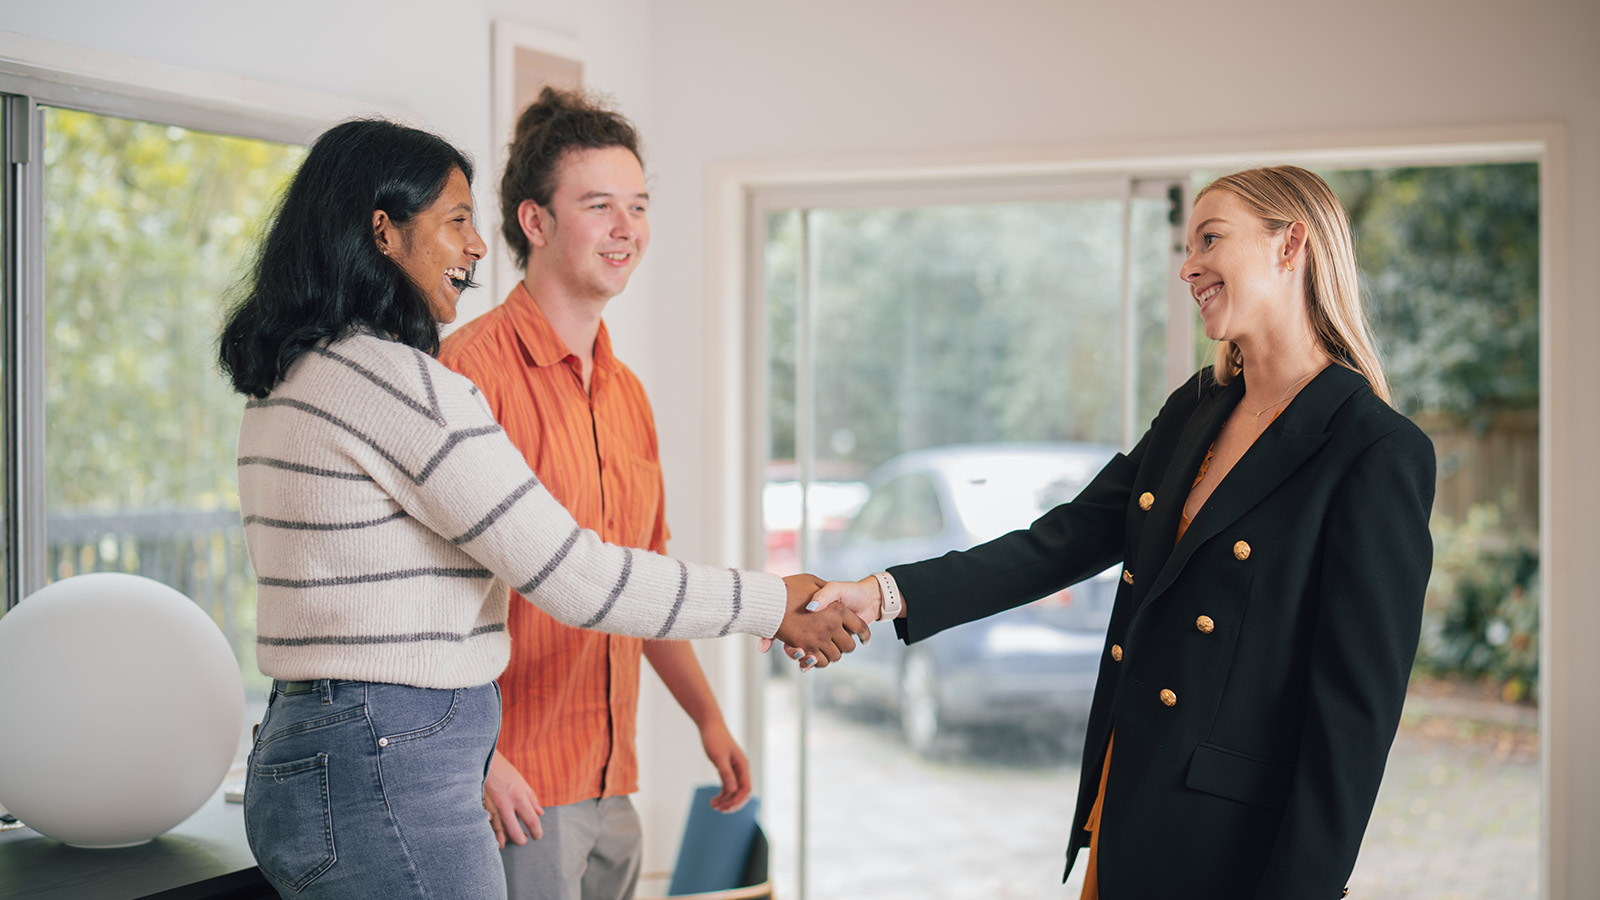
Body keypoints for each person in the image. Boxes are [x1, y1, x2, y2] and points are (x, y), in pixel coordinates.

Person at [218, 118, 865, 900]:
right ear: (383, 232)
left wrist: (708, 712)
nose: (476, 246)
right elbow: (580, 577)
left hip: (319, 746)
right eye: (456, 221)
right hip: (400, 756)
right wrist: (775, 599)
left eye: (639, 204)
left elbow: (628, 564)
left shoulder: (294, 378)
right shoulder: (411, 384)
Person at [809, 165, 1436, 899]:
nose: (1188, 266)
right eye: (1189, 244)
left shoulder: (1371, 447)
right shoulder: (1198, 407)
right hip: (1125, 804)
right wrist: (883, 594)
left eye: (1211, 239)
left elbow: (1352, 724)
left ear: (1289, 244)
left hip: (1233, 850)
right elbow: (1066, 538)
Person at [435, 87, 745, 900]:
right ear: (534, 223)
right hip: (516, 791)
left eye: (637, 206)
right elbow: (425, 602)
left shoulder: (627, 393)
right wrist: (480, 760)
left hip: (612, 782)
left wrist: (707, 718)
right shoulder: (468, 375)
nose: (626, 229)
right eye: (600, 205)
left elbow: (643, 580)